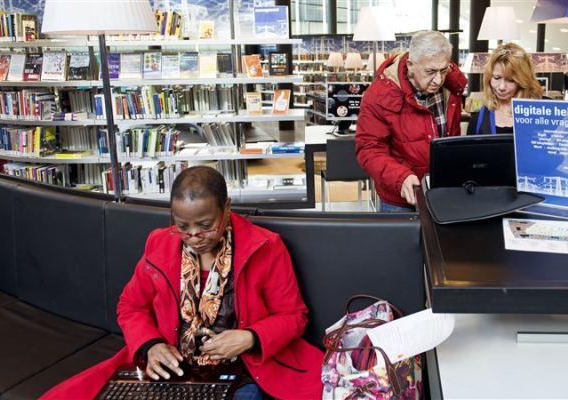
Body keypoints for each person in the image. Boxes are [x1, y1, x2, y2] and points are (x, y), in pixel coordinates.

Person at [41, 166, 323, 400]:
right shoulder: (160, 243)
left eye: (205, 225)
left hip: (243, 369)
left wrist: (249, 338)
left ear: (226, 208)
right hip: (172, 367)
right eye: (182, 226)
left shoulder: (265, 247)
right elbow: (130, 305)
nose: (194, 236)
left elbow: (293, 316)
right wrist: (150, 345)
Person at [355, 30, 467, 211]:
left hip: (444, 193)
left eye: (443, 70)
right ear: (411, 65)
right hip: (400, 199)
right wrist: (400, 178)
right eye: (430, 71)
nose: (438, 79)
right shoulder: (378, 95)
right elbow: (369, 148)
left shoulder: (451, 87)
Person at [467, 43, 543, 136]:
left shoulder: (544, 113)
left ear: (523, 81)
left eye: (511, 80)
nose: (502, 87)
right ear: (489, 78)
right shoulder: (478, 120)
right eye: (496, 78)